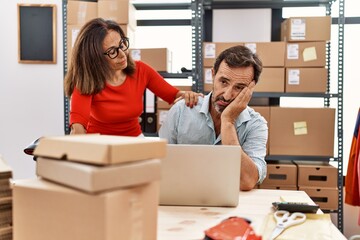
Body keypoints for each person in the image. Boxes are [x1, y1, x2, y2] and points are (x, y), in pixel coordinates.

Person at [64, 18, 202, 136]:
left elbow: (174, 95)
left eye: (122, 44)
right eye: (112, 51)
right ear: (95, 58)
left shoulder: (141, 70)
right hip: (100, 143)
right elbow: (78, 128)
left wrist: (189, 96)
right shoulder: (87, 81)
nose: (123, 54)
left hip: (134, 141)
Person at [159, 45, 268, 191]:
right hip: (182, 197)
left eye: (239, 87)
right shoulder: (181, 111)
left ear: (250, 89)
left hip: (232, 205)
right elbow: (158, 165)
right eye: (223, 82)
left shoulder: (256, 124)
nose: (227, 95)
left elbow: (247, 181)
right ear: (212, 75)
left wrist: (228, 122)